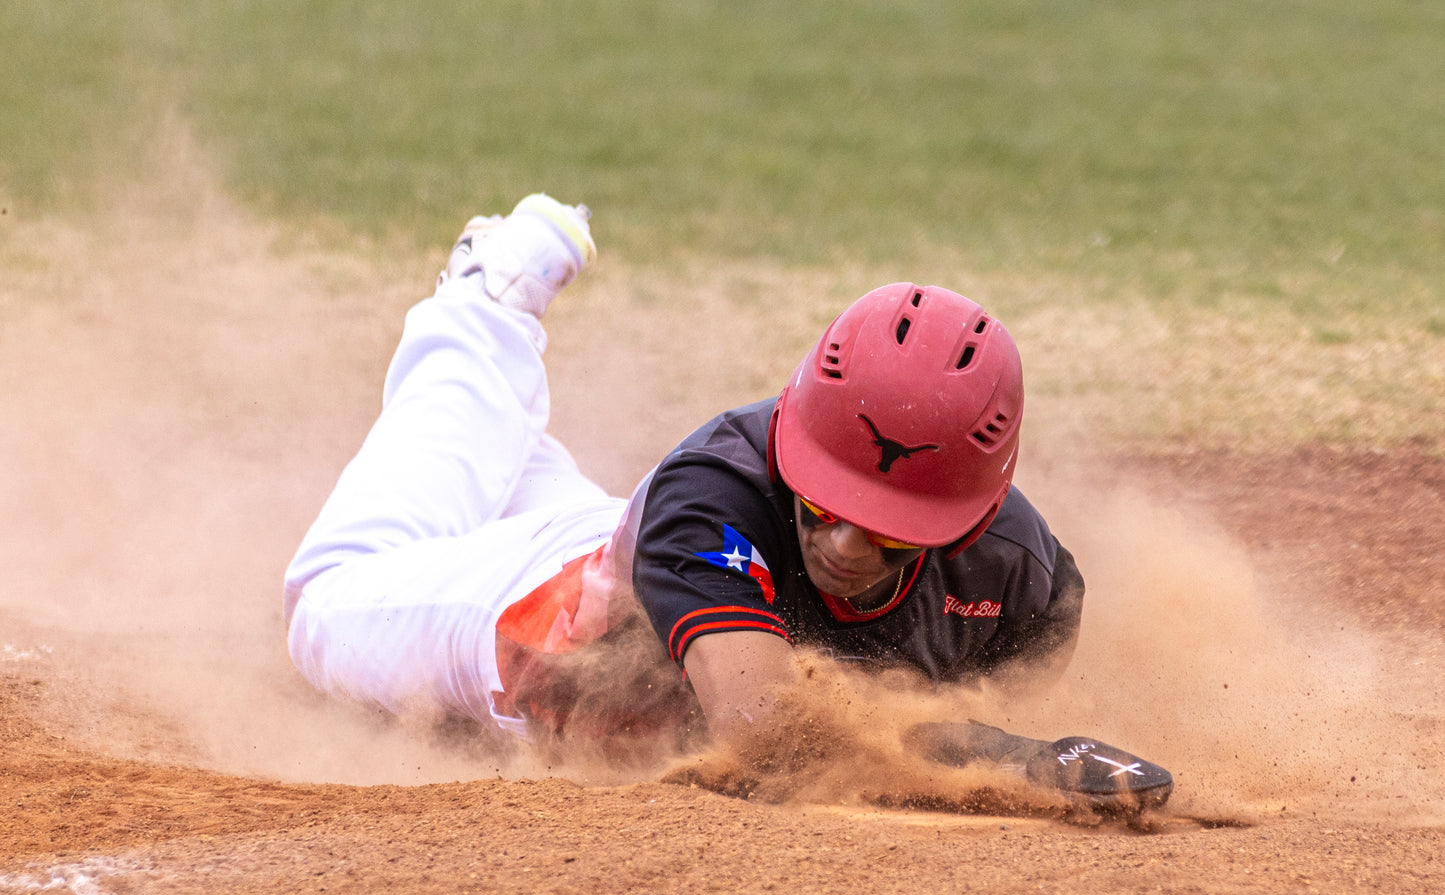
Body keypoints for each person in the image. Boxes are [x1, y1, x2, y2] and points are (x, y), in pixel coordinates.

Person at [284, 194, 1171, 812]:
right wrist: (1015, 764)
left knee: (504, 464)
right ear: (796, 447)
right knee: (323, 598)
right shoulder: (712, 493)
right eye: (825, 504)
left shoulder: (1022, 580)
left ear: (962, 520)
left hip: (636, 555)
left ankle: (506, 415)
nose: (849, 545)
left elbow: (978, 687)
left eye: (892, 531)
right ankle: (488, 302)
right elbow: (771, 736)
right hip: (519, 611)